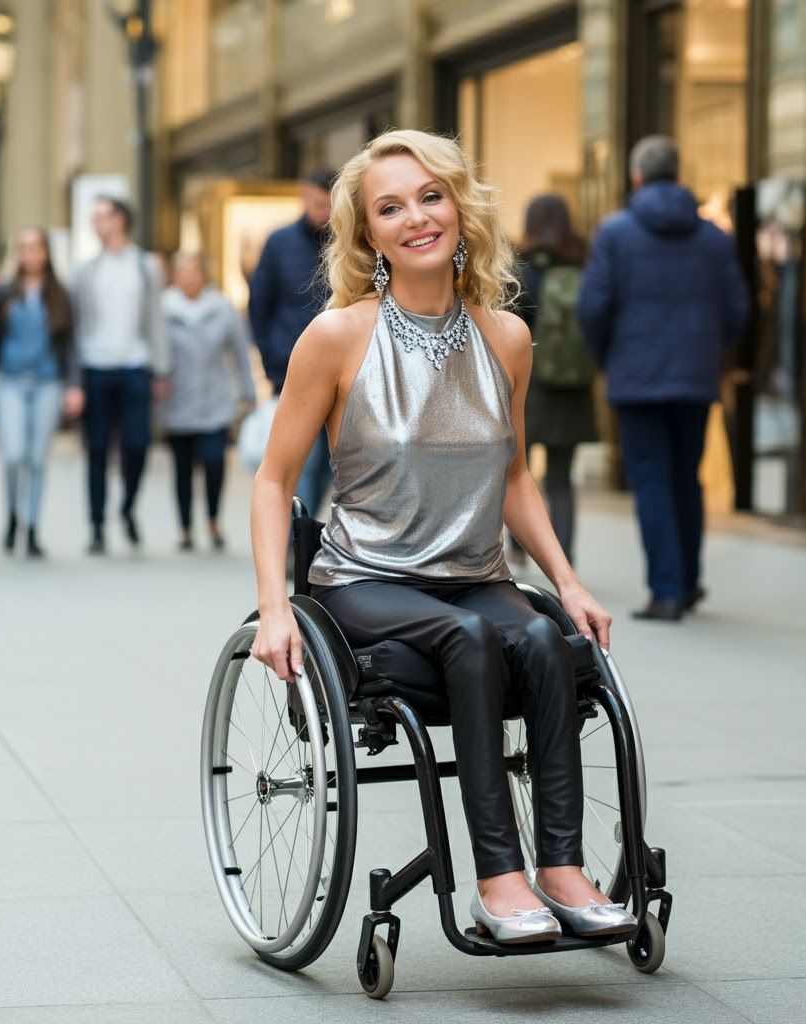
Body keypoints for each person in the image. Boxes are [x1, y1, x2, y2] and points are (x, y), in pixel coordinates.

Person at [249, 129, 637, 945]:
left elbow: (516, 477)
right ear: (368, 234)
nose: (416, 218)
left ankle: (561, 869)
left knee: (537, 635)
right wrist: (273, 608)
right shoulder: (336, 337)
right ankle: (499, 882)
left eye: (431, 196)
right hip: (363, 579)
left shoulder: (508, 338)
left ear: (460, 207)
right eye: (390, 207)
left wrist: (568, 583)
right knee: (467, 637)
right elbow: (273, 481)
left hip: (473, 569)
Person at [578, 136, 749, 621]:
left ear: (636, 177)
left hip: (636, 379)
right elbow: (738, 308)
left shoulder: (615, 233)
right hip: (695, 378)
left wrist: (608, 357)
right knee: (684, 478)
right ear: (678, 175)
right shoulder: (714, 238)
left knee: (650, 479)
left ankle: (667, 589)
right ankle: (689, 582)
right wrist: (712, 355)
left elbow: (594, 306)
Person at [72, 195, 169, 554]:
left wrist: (161, 368)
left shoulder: (145, 266)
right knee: (96, 449)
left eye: (102, 217)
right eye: (93, 218)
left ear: (121, 220)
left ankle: (127, 507)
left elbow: (157, 320)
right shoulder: (84, 270)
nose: (96, 224)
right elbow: (78, 326)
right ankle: (97, 526)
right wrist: (75, 380)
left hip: (135, 366)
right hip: (96, 367)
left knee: (137, 445)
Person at [0, 228, 84, 557]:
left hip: (47, 382)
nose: (30, 254)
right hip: (11, 381)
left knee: (37, 458)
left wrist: (74, 385)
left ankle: (31, 527)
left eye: (36, 248)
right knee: (13, 455)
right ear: (18, 254)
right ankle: (12, 515)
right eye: (24, 247)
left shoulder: (60, 295)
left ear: (46, 253)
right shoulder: (4, 293)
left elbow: (70, 344)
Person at [248, 167, 335, 520]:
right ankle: (297, 543)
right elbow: (259, 305)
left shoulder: (349, 243)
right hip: (292, 370)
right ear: (304, 196)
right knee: (305, 462)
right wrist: (272, 361)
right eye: (319, 204)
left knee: (331, 463)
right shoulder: (279, 243)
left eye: (331, 205)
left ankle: (303, 534)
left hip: (343, 371)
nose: (325, 212)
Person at [514, 194, 597, 565]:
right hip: (572, 387)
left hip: (528, 383)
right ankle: (565, 556)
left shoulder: (523, 267)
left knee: (516, 470)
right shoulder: (584, 264)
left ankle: (519, 547)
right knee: (562, 479)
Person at [161, 253, 256, 551]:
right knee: (183, 467)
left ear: (204, 274)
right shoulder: (163, 309)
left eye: (194, 271)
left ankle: (213, 519)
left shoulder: (222, 307)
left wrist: (248, 391)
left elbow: (240, 352)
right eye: (183, 271)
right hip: (178, 399)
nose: (189, 277)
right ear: (175, 277)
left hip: (216, 398)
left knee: (215, 461)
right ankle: (185, 527)